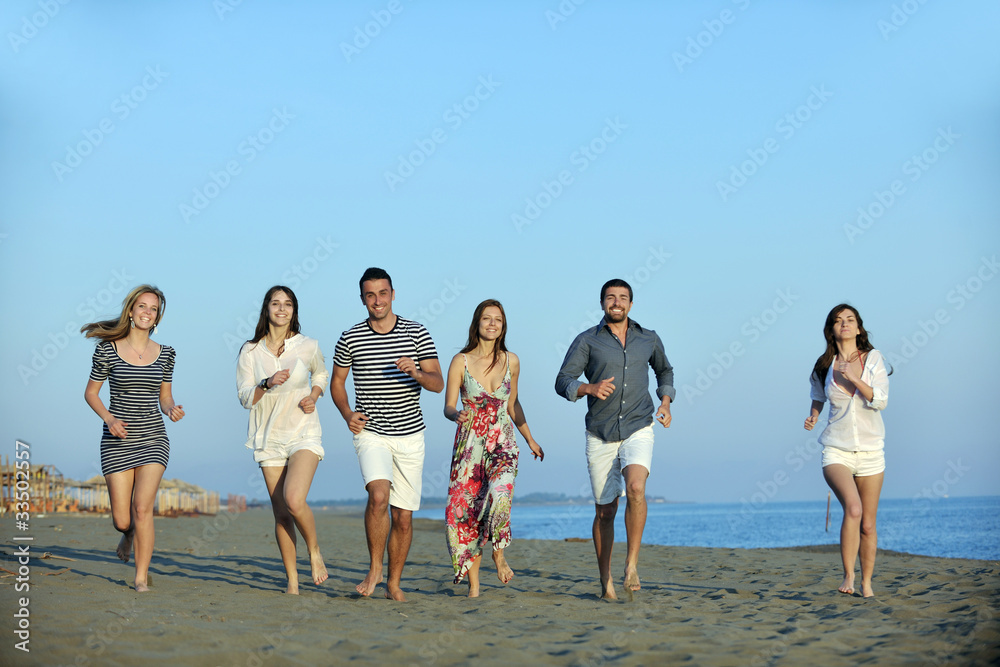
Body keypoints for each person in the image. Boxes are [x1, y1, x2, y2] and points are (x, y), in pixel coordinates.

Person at [555, 279, 675, 600]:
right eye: (611, 298)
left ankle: (631, 564)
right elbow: (563, 379)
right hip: (600, 431)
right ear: (602, 303)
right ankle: (605, 579)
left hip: (639, 425)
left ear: (631, 305)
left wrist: (665, 402)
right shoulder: (588, 341)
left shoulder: (648, 339)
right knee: (605, 511)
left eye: (623, 298)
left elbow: (665, 371)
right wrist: (588, 389)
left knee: (636, 487)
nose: (617, 302)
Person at [330, 267, 444, 601]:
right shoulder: (350, 337)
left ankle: (394, 582)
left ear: (393, 294)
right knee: (378, 496)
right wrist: (348, 414)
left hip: (410, 434)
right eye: (370, 295)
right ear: (362, 298)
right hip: (371, 432)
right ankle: (374, 569)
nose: (377, 301)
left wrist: (417, 371)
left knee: (404, 517)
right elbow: (338, 383)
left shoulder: (417, 332)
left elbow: (437, 383)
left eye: (382, 293)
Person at [82, 284, 185, 592]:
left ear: (157, 318)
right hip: (117, 439)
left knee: (143, 509)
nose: (147, 312)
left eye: (153, 309)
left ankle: (141, 578)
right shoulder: (106, 350)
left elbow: (165, 397)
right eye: (142, 306)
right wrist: (109, 419)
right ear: (131, 310)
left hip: (154, 437)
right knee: (122, 519)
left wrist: (171, 409)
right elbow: (91, 393)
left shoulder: (166, 354)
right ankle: (127, 535)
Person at [444, 299, 544, 597]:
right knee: (467, 514)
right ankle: (474, 587)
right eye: (486, 319)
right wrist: (455, 414)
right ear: (477, 324)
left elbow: (512, 404)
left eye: (497, 320)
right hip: (469, 447)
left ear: (503, 326)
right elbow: (449, 405)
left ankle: (499, 552)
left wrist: (530, 438)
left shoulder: (511, 360)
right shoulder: (459, 361)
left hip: (503, 443)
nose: (491, 324)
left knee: (500, 494)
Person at [237, 285, 330, 594]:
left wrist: (314, 396)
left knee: (294, 499)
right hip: (268, 437)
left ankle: (314, 550)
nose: (281, 308)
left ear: (294, 310)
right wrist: (266, 382)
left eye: (287, 304)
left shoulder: (308, 345)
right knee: (280, 512)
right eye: (275, 303)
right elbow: (245, 397)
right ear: (266, 309)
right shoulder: (250, 351)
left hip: (303, 430)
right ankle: (292, 581)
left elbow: (321, 374)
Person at [804, 304, 890, 598]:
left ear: (859, 329)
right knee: (853, 509)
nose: (844, 324)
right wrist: (814, 415)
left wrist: (852, 376)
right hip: (836, 449)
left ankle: (866, 583)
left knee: (868, 523)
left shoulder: (874, 359)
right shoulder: (823, 364)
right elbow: (818, 396)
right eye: (838, 320)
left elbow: (879, 400)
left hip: (870, 452)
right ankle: (848, 576)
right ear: (832, 329)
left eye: (850, 320)